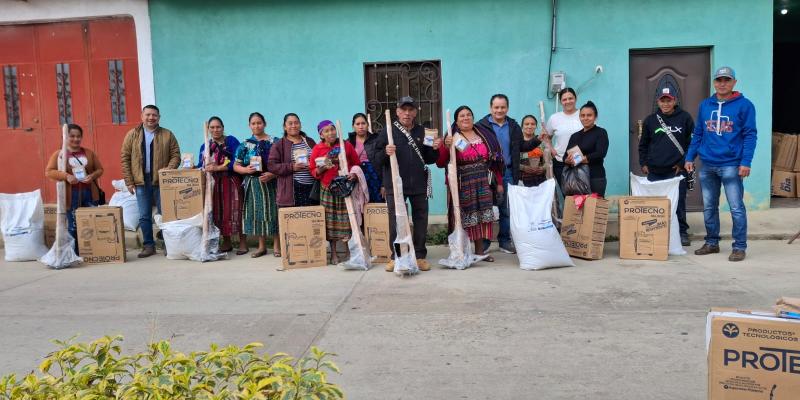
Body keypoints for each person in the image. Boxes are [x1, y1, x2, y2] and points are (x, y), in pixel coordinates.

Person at [685, 66, 757, 262]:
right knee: (709, 207)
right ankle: (711, 242)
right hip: (707, 164)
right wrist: (690, 157)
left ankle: (739, 247)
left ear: (734, 82)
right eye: (719, 80)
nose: (722, 84)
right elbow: (698, 132)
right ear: (714, 82)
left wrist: (746, 162)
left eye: (727, 80)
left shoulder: (745, 106)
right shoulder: (705, 105)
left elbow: (750, 135)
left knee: (735, 207)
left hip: (732, 165)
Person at [367, 96, 441, 272]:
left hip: (419, 183)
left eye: (410, 110)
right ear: (397, 111)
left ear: (415, 112)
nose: (407, 113)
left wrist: (435, 149)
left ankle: (420, 256)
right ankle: (396, 256)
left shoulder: (423, 132)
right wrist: (385, 152)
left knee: (421, 219)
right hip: (394, 183)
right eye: (403, 110)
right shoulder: (388, 131)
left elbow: (429, 159)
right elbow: (376, 159)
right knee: (396, 220)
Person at [436, 106, 505, 261]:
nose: (466, 118)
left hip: (482, 181)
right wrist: (446, 147)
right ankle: (461, 251)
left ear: (473, 118)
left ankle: (480, 252)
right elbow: (440, 162)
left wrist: (499, 182)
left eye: (469, 115)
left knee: (481, 216)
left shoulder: (484, 134)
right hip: (462, 182)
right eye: (462, 116)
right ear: (456, 120)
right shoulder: (452, 137)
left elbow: (495, 161)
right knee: (463, 216)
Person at [475, 94, 540, 254]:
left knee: (507, 209)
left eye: (502, 107)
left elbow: (523, 146)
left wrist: (538, 140)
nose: (499, 110)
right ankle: (484, 242)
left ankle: (504, 241)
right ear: (491, 108)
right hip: (487, 173)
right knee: (486, 208)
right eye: (496, 107)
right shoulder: (481, 126)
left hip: (509, 172)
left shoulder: (513, 126)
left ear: (507, 108)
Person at [120, 105, 180, 258]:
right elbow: (125, 158)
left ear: (159, 117)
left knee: (166, 214)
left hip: (162, 181)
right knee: (144, 215)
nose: (151, 117)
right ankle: (148, 245)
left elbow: (175, 155)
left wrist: (169, 168)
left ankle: (169, 245)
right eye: (148, 114)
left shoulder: (167, 134)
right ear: (142, 116)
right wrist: (129, 181)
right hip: (141, 181)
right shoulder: (132, 135)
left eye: (154, 115)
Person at [639, 86, 695, 246]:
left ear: (674, 101)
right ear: (658, 101)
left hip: (676, 170)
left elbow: (692, 144)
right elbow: (643, 145)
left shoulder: (685, 118)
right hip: (655, 171)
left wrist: (682, 163)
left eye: (668, 100)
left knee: (679, 203)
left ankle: (682, 232)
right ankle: (656, 231)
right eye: (662, 100)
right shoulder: (650, 120)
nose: (665, 104)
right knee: (656, 204)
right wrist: (643, 163)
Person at [45, 123, 104, 252]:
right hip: (71, 195)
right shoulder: (59, 154)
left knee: (91, 222)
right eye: (72, 136)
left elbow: (100, 169)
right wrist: (66, 176)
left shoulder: (89, 153)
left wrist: (92, 176)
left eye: (78, 136)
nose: (76, 139)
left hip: (89, 193)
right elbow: (49, 171)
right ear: (65, 137)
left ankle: (93, 251)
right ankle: (75, 252)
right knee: (74, 225)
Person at [310, 120, 361, 264]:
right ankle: (333, 253)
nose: (330, 132)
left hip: (344, 188)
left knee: (347, 220)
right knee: (330, 222)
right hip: (327, 188)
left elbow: (356, 163)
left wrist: (354, 174)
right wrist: (324, 166)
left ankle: (348, 251)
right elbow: (313, 171)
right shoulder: (317, 149)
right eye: (326, 131)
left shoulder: (345, 145)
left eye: (332, 129)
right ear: (321, 135)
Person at [198, 116, 247, 255]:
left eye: (218, 127)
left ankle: (243, 242)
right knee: (220, 212)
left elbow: (239, 161)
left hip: (231, 181)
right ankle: (227, 242)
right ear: (208, 129)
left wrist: (219, 168)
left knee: (237, 211)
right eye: (212, 127)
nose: (215, 130)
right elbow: (200, 164)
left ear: (223, 128)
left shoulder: (231, 141)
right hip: (214, 184)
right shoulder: (205, 146)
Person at [233, 112, 279, 258]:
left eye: (259, 122)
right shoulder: (245, 144)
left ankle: (277, 245)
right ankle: (261, 246)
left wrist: (273, 174)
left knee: (274, 212)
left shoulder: (275, 142)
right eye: (253, 123)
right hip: (253, 184)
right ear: (249, 126)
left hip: (272, 182)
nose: (256, 125)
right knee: (258, 213)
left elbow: (283, 163)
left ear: (264, 124)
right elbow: (235, 165)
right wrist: (245, 170)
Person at [267, 113, 318, 209]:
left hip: (312, 188)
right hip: (293, 189)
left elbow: (317, 157)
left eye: (296, 123)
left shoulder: (309, 141)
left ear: (300, 125)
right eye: (290, 123)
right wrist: (292, 167)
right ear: (284, 127)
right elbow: (271, 165)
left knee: (310, 221)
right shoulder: (279, 145)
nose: (293, 126)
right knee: (295, 222)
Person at [563, 101, 609, 197]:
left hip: (595, 177)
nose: (585, 118)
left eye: (589, 115)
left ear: (595, 117)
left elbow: (601, 153)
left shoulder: (600, 132)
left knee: (594, 208)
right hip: (576, 178)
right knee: (577, 210)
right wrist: (567, 160)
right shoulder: (574, 136)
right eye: (582, 115)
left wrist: (582, 159)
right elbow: (565, 156)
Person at [544, 87, 582, 188]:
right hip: (561, 161)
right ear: (560, 101)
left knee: (583, 195)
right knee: (567, 194)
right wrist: (552, 149)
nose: (568, 101)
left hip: (581, 161)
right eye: (564, 99)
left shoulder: (583, 114)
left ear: (575, 98)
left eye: (570, 98)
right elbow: (547, 137)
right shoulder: (554, 118)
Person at [347, 113, 383, 203]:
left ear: (368, 124)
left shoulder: (376, 140)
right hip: (356, 178)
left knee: (376, 205)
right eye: (357, 124)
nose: (361, 126)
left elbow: (383, 163)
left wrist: (384, 185)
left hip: (375, 177)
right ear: (353, 126)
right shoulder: (348, 142)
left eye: (363, 123)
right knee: (359, 206)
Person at [519, 115, 547, 187]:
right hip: (521, 181)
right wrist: (523, 168)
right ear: (522, 126)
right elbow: (511, 161)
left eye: (533, 124)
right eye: (526, 124)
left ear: (536, 126)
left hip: (540, 181)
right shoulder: (517, 142)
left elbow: (548, 161)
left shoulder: (542, 141)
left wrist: (543, 168)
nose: (530, 126)